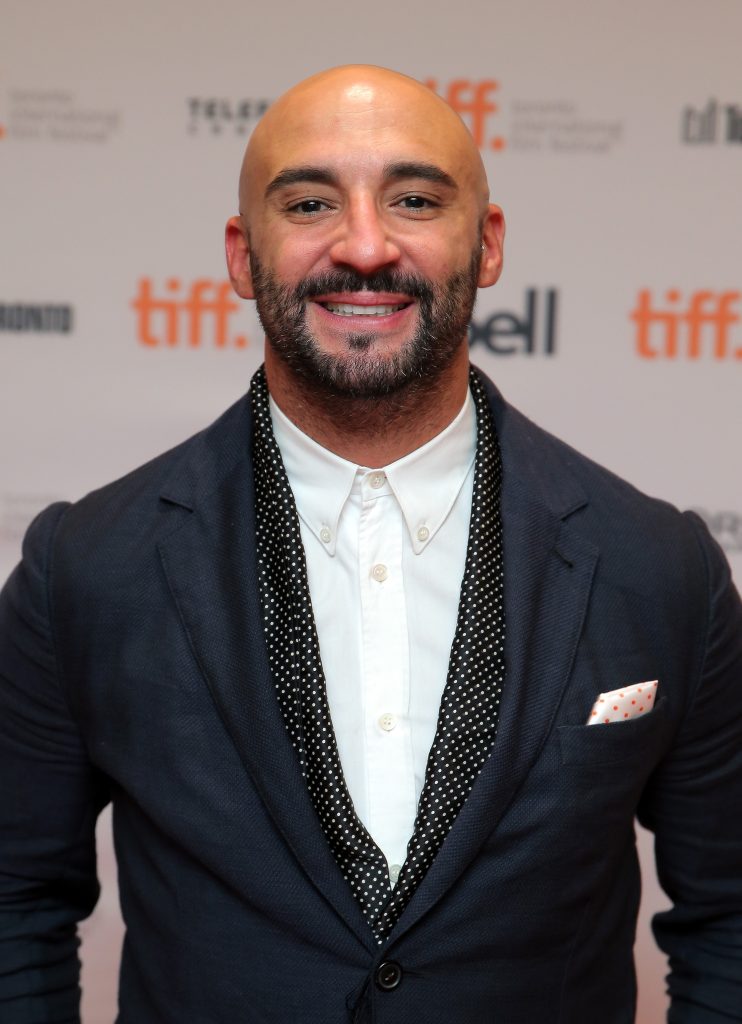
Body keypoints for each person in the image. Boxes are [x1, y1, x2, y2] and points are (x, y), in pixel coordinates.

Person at [1, 65, 741, 1024]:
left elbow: (729, 915)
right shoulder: (86, 568)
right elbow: (15, 902)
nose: (362, 245)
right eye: (310, 201)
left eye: (416, 199)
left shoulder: (660, 567)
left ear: (488, 244)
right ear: (239, 254)